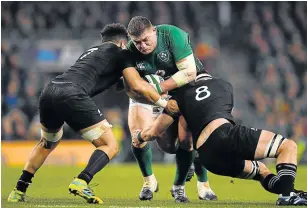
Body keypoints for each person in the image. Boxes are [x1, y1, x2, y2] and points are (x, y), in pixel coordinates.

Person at [7, 23, 159, 204]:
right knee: (110, 145)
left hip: (50, 91)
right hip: (72, 94)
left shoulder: (92, 51)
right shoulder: (122, 53)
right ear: (121, 42)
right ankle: (82, 180)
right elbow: (133, 84)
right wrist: (160, 99)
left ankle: (18, 190)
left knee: (47, 143)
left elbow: (107, 78)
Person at [133, 73, 307, 206]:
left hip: (209, 158)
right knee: (288, 146)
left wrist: (140, 136)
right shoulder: (223, 84)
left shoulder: (181, 98)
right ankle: (287, 195)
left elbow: (175, 139)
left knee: (261, 171)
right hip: (224, 135)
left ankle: (290, 192)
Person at [124, 15, 217, 203]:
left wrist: (158, 89)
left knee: (192, 139)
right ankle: (149, 181)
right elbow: (132, 88)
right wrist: (160, 100)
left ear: (154, 31)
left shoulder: (172, 35)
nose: (142, 46)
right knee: (159, 143)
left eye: (145, 40)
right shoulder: (129, 52)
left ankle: (202, 185)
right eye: (137, 42)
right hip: (154, 94)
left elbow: (189, 73)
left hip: (188, 86)